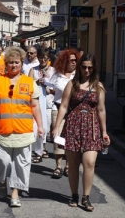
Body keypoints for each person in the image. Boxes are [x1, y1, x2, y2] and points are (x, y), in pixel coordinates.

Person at [0, 46, 44, 207]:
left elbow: (35, 106)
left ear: (22, 63)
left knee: (21, 164)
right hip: (3, 130)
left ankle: (15, 192)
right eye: (10, 62)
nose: (14, 65)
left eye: (17, 62)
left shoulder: (29, 82)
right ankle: (2, 180)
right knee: (3, 161)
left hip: (24, 130)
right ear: (6, 63)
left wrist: (41, 125)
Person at [52, 53, 109, 211]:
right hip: (73, 125)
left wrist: (104, 131)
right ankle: (74, 194)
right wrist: (56, 127)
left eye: (90, 67)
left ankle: (86, 197)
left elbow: (101, 109)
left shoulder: (99, 86)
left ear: (94, 68)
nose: (86, 70)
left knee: (89, 162)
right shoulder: (72, 84)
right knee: (73, 163)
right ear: (79, 67)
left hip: (91, 127)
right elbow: (63, 106)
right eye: (84, 67)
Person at [49, 49, 79, 179]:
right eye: (71, 60)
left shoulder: (78, 76)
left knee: (71, 139)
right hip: (58, 108)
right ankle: (58, 166)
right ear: (65, 61)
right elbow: (51, 88)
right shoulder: (57, 75)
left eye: (75, 60)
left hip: (73, 111)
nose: (74, 62)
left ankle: (68, 166)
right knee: (58, 138)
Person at [28, 48, 55, 162]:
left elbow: (58, 87)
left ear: (48, 59)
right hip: (36, 103)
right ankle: (38, 151)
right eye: (41, 58)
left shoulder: (53, 71)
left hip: (49, 103)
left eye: (45, 58)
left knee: (46, 128)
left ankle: (42, 148)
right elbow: (27, 85)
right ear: (37, 58)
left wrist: (49, 89)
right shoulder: (33, 70)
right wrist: (36, 83)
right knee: (36, 127)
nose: (43, 60)